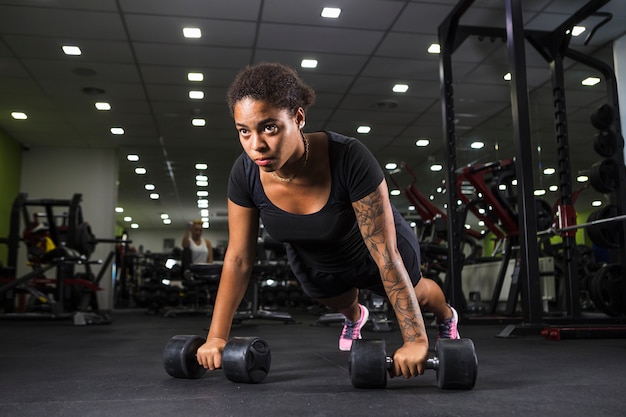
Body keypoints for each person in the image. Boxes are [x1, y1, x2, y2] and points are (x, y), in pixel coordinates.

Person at [196, 62, 459, 379]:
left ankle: (446, 316)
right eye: (244, 131)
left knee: (417, 295)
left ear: (298, 117)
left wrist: (416, 339)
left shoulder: (349, 158)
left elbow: (385, 253)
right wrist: (216, 338)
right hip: (315, 260)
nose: (256, 146)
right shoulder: (245, 174)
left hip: (372, 251)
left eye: (269, 127)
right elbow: (238, 258)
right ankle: (355, 316)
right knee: (337, 300)